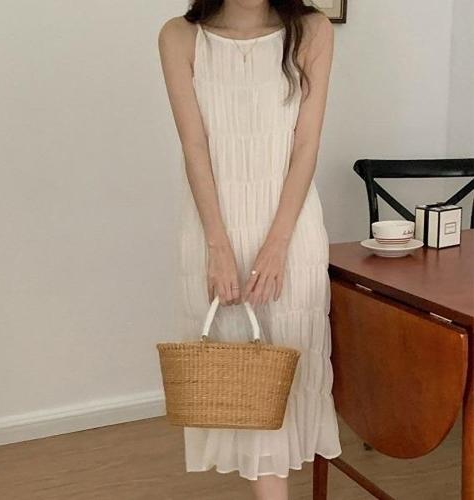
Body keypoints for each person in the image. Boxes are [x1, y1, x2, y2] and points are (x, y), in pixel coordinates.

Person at [158, 1, 341, 498]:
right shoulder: (179, 36)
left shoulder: (312, 31)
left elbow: (306, 144)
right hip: (213, 229)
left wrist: (278, 245)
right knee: (243, 380)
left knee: (285, 372)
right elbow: (194, 146)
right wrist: (217, 247)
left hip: (291, 230)